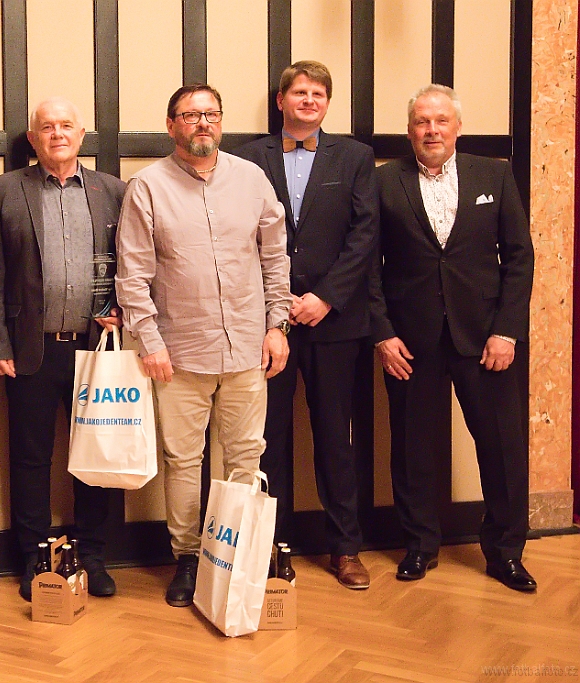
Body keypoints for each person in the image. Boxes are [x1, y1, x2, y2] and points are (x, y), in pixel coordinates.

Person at [115, 84, 291, 607]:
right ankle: (189, 558)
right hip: (178, 353)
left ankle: (238, 557)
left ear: (221, 121)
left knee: (246, 456)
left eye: (211, 114)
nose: (202, 123)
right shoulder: (147, 187)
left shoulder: (252, 179)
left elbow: (275, 258)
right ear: (172, 125)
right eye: (190, 115)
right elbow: (133, 273)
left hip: (247, 349)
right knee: (183, 460)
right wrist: (150, 341)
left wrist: (277, 325)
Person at [371, 84, 536, 591]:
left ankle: (505, 553)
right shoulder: (384, 181)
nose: (432, 130)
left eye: (441, 120)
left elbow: (519, 257)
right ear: (409, 131)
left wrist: (507, 331)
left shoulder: (494, 174)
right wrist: (383, 334)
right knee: (412, 448)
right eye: (422, 121)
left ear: (458, 128)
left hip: (485, 338)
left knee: (502, 447)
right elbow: (367, 267)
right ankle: (420, 546)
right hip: (410, 342)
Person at [237, 61, 379, 589]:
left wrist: (326, 297)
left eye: (318, 93)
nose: (309, 100)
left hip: (333, 323)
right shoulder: (248, 157)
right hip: (266, 324)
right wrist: (275, 304)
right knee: (266, 439)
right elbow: (237, 235)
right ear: (281, 100)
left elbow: (365, 235)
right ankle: (271, 549)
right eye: (299, 92)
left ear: (327, 103)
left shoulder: (356, 157)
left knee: (335, 439)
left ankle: (346, 549)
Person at [0, 97, 126, 601]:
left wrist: (124, 310)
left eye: (66, 125)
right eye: (47, 127)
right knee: (30, 459)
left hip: (96, 351)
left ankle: (93, 555)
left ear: (82, 135)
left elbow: (134, 263)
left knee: (94, 456)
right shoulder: (3, 191)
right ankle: (35, 557)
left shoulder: (114, 191)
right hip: (29, 350)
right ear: (33, 137)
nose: (57, 133)